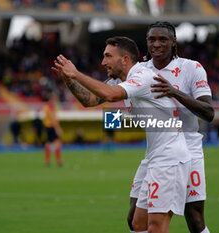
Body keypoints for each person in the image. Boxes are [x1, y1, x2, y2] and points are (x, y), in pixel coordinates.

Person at [52, 36, 192, 233]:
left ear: (125, 59)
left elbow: (110, 95)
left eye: (108, 56)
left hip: (170, 159)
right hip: (154, 158)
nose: (103, 62)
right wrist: (68, 80)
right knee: (136, 223)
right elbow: (90, 100)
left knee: (156, 227)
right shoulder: (121, 79)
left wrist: (75, 73)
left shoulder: (142, 77)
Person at [130, 21, 214, 233]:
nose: (156, 44)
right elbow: (110, 94)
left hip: (189, 149)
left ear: (173, 42)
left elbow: (209, 112)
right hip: (156, 152)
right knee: (134, 218)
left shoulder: (191, 68)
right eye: (152, 39)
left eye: (162, 39)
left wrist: (174, 92)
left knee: (194, 217)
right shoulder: (138, 70)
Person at [42, 93, 63, 167]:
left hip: (48, 127)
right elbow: (52, 119)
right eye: (55, 100)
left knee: (48, 143)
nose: (56, 101)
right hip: (52, 127)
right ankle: (58, 161)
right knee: (57, 143)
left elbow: (45, 119)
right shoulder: (51, 108)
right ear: (52, 100)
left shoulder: (46, 107)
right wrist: (57, 128)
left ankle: (47, 161)